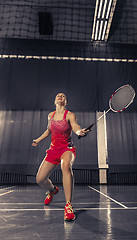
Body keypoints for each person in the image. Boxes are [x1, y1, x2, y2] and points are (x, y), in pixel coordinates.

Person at [32, 93, 89, 221]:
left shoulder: (69, 115)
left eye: (63, 96)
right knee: (40, 179)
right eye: (58, 95)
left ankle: (68, 205)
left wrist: (80, 131)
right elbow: (48, 130)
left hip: (66, 149)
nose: (60, 96)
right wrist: (38, 139)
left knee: (66, 166)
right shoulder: (50, 116)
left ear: (66, 101)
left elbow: (75, 126)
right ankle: (52, 190)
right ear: (54, 101)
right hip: (53, 150)